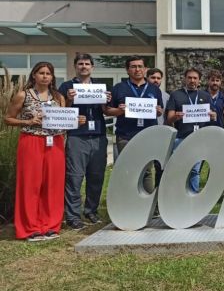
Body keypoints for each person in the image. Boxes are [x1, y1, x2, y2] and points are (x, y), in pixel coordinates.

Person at [4, 62, 80, 241]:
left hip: (55, 143)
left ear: (52, 77)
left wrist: (77, 121)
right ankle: (30, 228)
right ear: (34, 75)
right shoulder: (23, 95)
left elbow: (64, 120)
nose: (45, 76)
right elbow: (8, 118)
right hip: (31, 141)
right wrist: (27, 122)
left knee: (53, 184)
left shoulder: (58, 97)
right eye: (41, 73)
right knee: (30, 184)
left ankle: (51, 225)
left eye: (48, 73)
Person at [58, 53, 110, 230]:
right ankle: (72, 215)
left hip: (98, 135)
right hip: (77, 136)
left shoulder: (99, 86)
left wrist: (107, 103)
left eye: (87, 63)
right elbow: (59, 111)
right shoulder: (66, 86)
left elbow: (106, 110)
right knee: (75, 177)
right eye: (80, 63)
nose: (84, 66)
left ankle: (91, 211)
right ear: (75, 66)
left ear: (92, 67)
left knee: (96, 176)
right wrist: (69, 100)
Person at [105, 56, 164, 193]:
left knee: (147, 170)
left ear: (145, 69)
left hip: (148, 136)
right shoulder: (119, 88)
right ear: (127, 70)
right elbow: (108, 110)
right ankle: (129, 205)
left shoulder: (154, 89)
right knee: (128, 169)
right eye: (133, 66)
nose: (137, 69)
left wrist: (158, 111)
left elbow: (159, 111)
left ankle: (146, 205)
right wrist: (120, 111)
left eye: (140, 66)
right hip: (125, 135)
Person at [165, 68, 217, 192]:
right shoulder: (176, 95)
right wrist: (176, 116)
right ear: (185, 79)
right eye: (189, 78)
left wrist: (213, 116)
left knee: (195, 169)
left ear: (199, 80)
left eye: (195, 78)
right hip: (181, 138)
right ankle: (177, 194)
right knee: (178, 169)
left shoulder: (205, 95)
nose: (192, 80)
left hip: (199, 138)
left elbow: (213, 116)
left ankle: (193, 195)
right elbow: (169, 119)